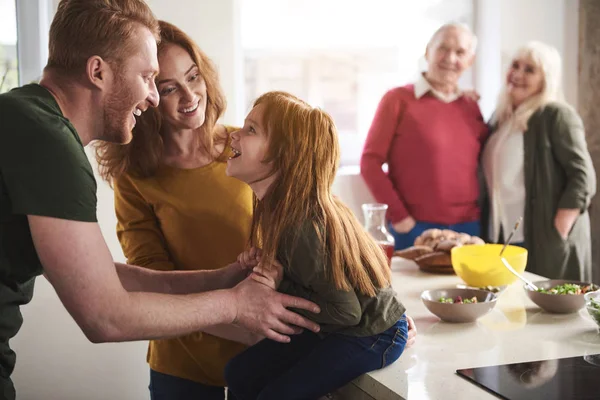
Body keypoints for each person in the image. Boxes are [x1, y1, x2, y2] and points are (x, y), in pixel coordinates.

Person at [0, 2, 319, 399]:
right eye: (150, 78)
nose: (151, 97)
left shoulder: (24, 117)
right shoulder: (49, 143)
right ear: (97, 71)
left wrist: (217, 279)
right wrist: (235, 306)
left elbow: (102, 275)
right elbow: (105, 315)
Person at [95, 20, 254, 399]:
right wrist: (240, 321)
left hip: (266, 350)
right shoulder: (135, 176)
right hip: (185, 363)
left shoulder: (246, 145)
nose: (189, 95)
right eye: (169, 88)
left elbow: (308, 229)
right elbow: (154, 278)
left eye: (193, 76)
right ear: (147, 96)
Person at [223, 91, 417, 400]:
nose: (234, 134)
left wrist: (278, 291)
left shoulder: (300, 225)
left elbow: (348, 312)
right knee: (237, 373)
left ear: (282, 156)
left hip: (373, 334)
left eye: (251, 129)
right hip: (340, 325)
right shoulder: (282, 212)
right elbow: (312, 278)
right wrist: (272, 269)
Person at [360, 23, 488, 250]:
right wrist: (400, 219)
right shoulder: (397, 100)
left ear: (470, 60)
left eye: (460, 52)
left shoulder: (471, 107)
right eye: (443, 48)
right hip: (415, 228)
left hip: (469, 229)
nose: (450, 58)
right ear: (428, 51)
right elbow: (370, 161)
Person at [481, 41, 596, 281]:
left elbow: (583, 177)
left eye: (530, 69)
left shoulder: (555, 114)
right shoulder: (501, 118)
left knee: (550, 313)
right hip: (505, 234)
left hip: (545, 235)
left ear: (546, 79)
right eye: (515, 65)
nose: (518, 74)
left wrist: (559, 229)